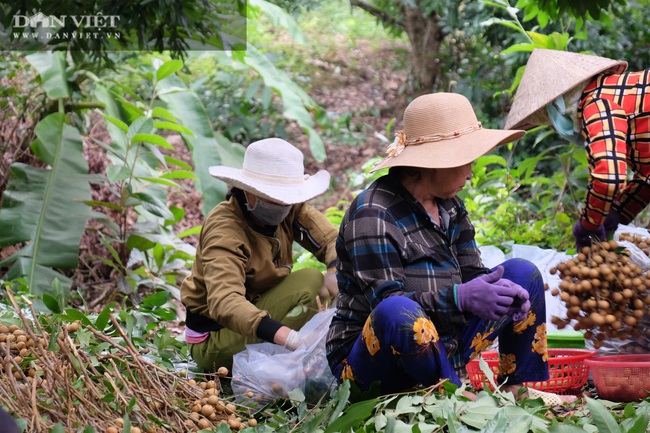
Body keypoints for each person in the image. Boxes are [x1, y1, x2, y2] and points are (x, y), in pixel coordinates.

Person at [325, 92, 576, 405]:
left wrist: (500, 295)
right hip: (372, 363)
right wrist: (460, 298)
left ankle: (517, 389)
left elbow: (473, 272)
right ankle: (451, 398)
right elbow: (388, 308)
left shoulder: (450, 207)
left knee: (521, 274)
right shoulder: (372, 213)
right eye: (467, 162)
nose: (471, 173)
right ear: (438, 162)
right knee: (397, 312)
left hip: (445, 343)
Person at [181, 138, 339, 372]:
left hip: (258, 306)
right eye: (272, 198)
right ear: (248, 191)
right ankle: (283, 364)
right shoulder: (226, 230)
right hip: (214, 337)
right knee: (310, 283)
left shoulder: (289, 208)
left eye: (286, 199)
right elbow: (225, 302)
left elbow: (330, 239)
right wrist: (288, 337)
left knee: (317, 282)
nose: (281, 205)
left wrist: (336, 268)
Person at [504, 48, 647, 250]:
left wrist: (589, 224)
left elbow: (608, 178)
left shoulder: (598, 102)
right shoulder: (620, 92)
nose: (555, 128)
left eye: (551, 122)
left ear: (559, 105)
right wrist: (616, 212)